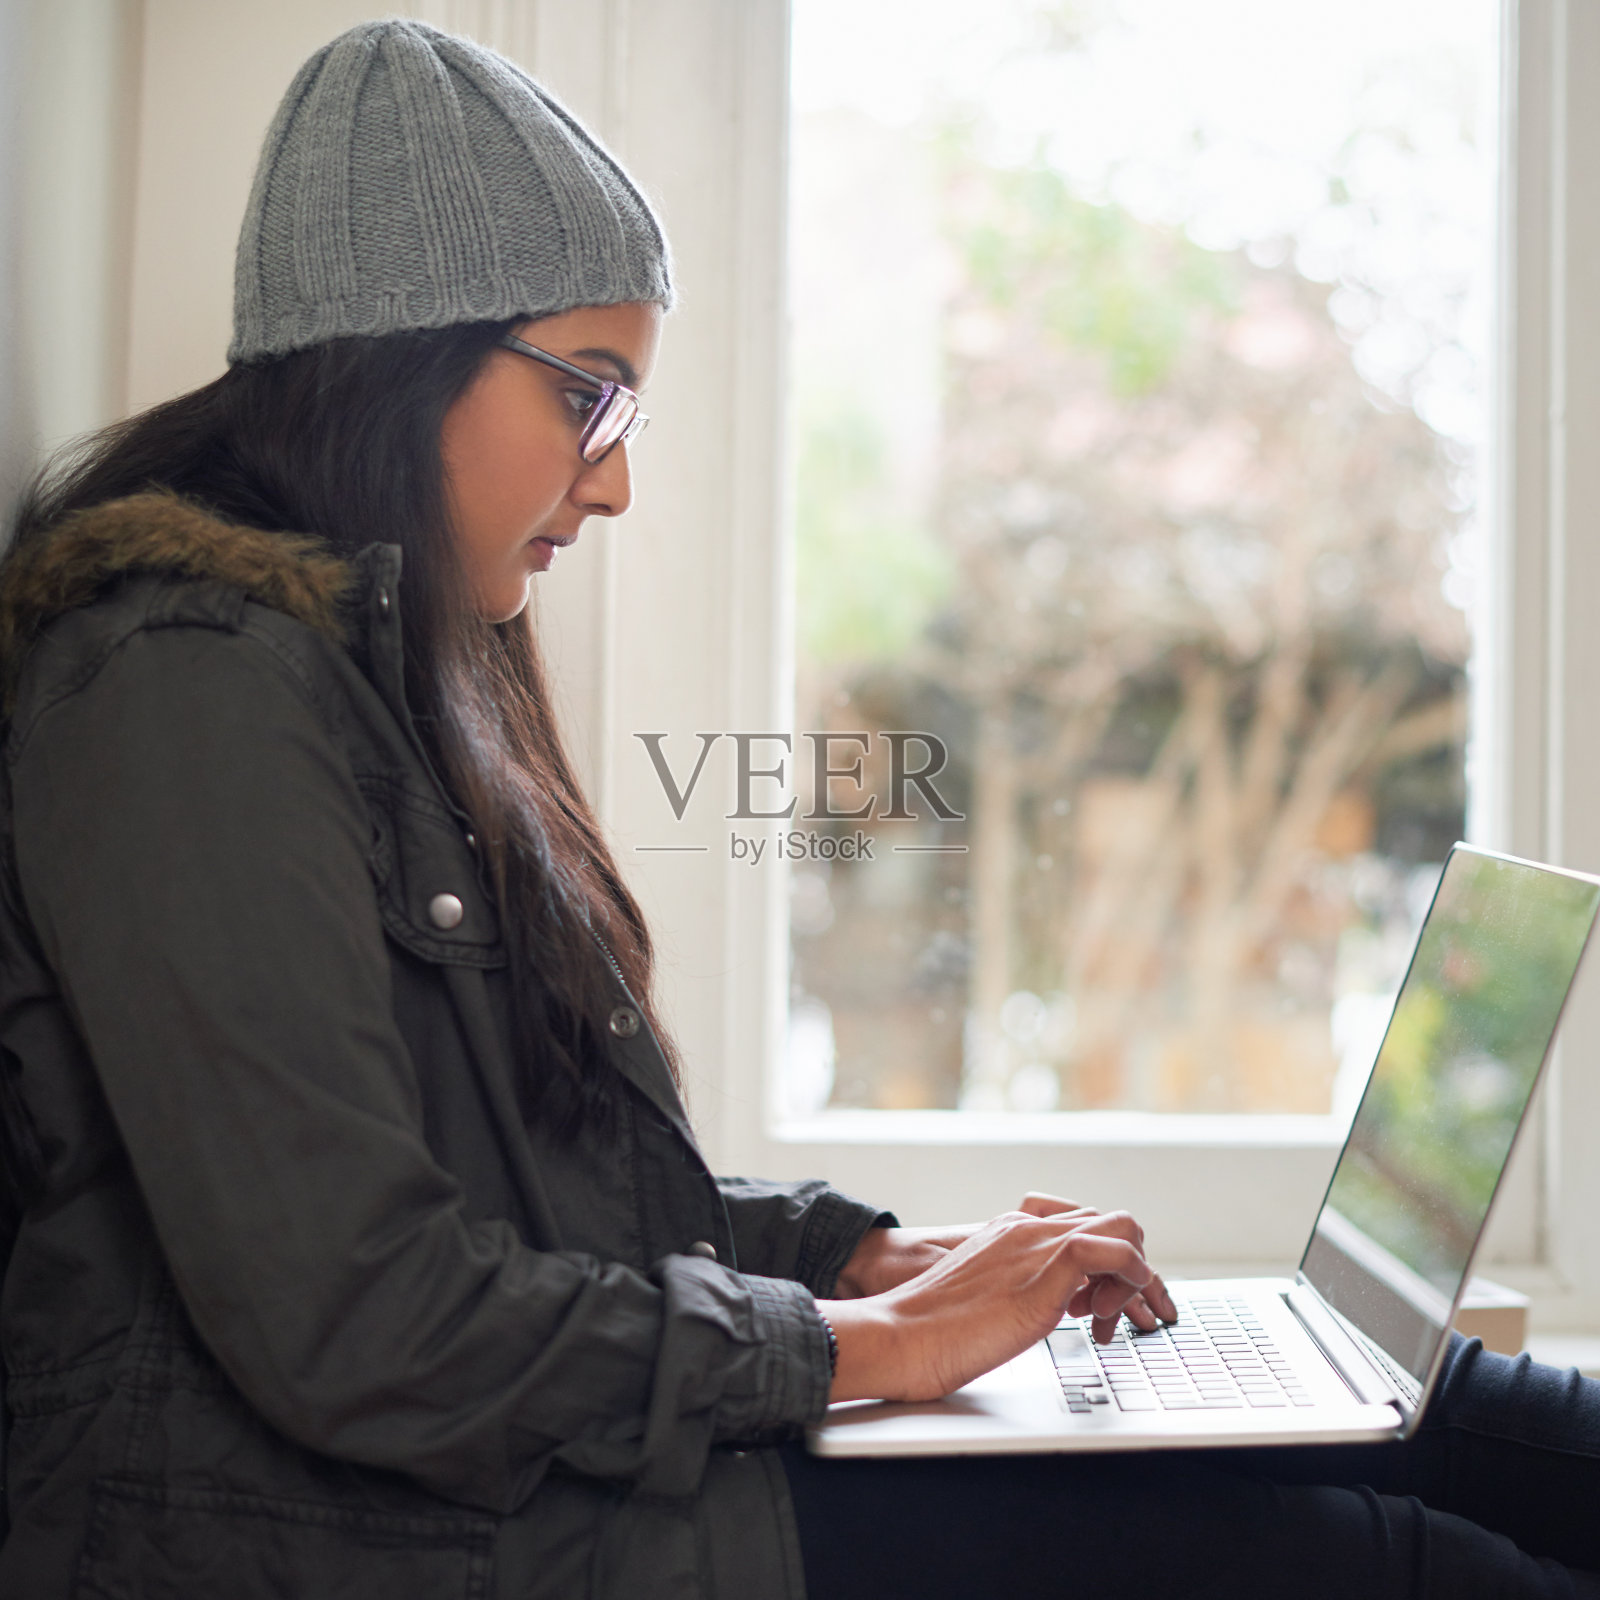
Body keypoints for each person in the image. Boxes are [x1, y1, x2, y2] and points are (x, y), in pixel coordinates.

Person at [0, 19, 1597, 1600]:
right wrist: (861, 1344)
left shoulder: (356, 669)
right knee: (1373, 1556)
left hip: (524, 1496)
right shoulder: (176, 685)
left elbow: (519, 1191)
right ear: (404, 352)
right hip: (412, 1542)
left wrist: (850, 1256)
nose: (614, 479)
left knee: (1448, 1422)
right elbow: (359, 1316)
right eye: (590, 394)